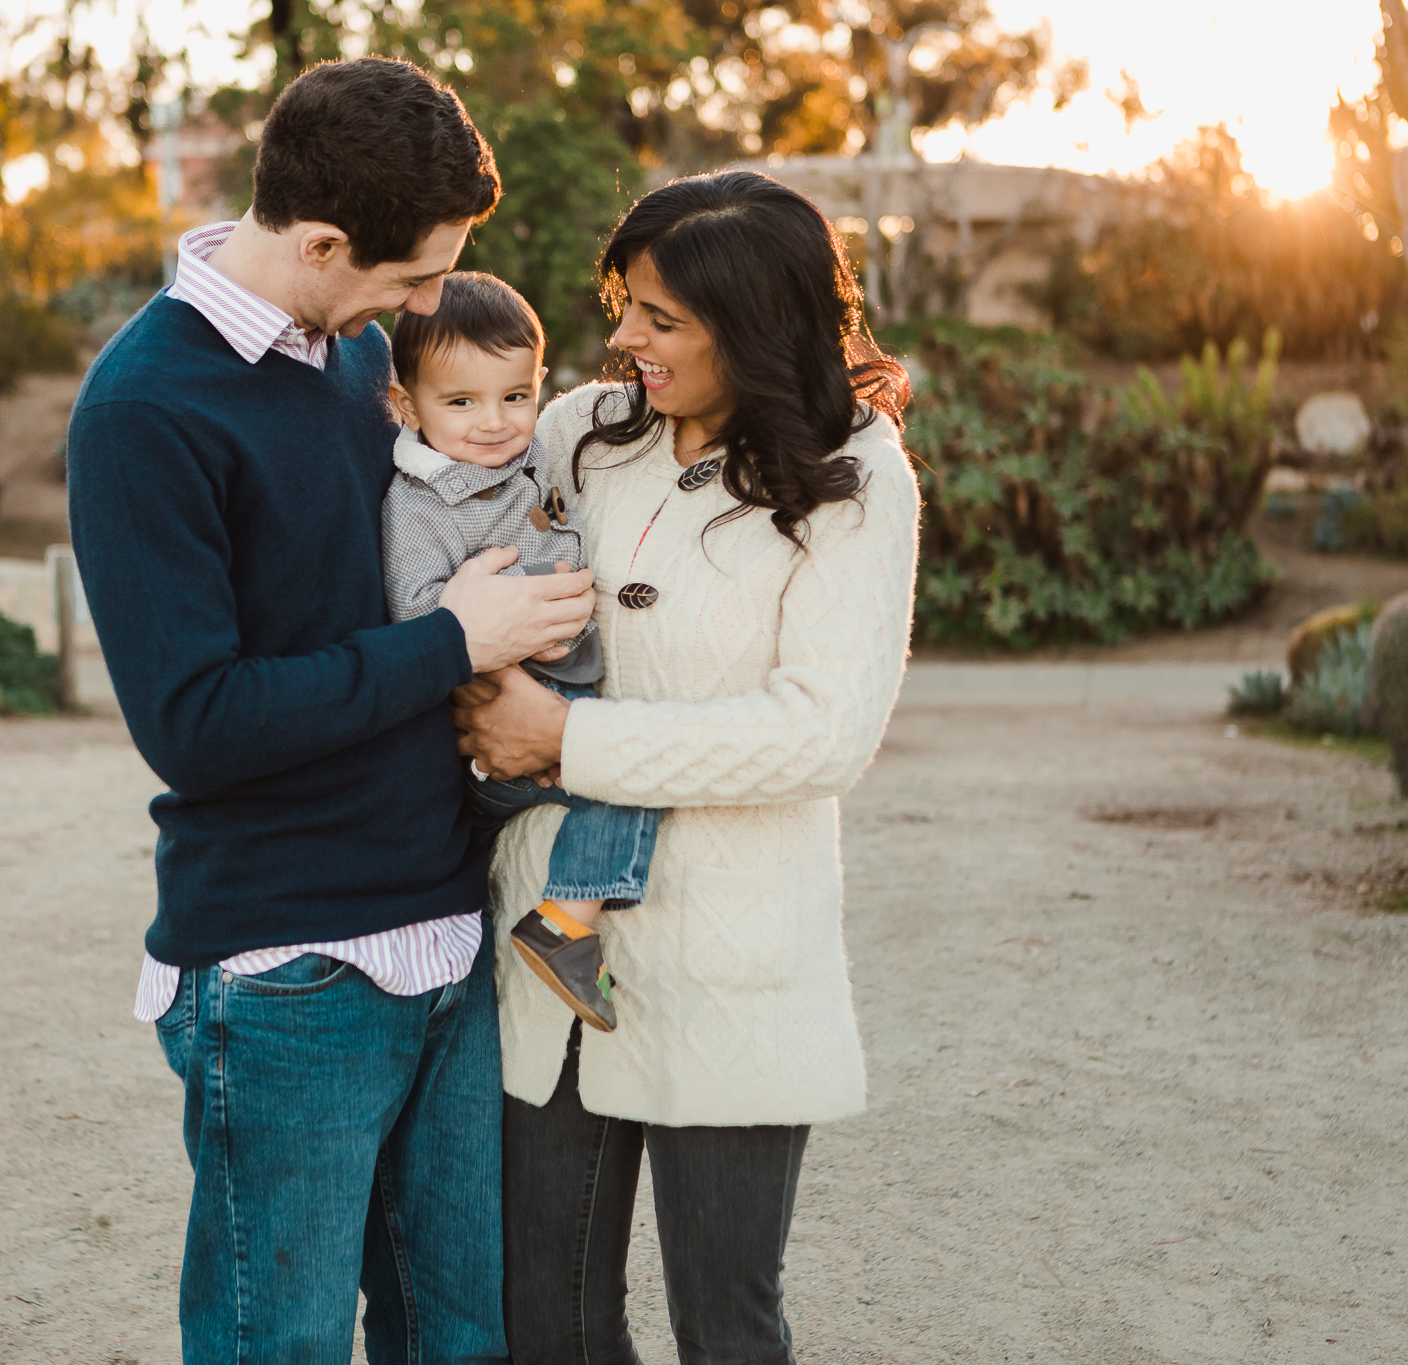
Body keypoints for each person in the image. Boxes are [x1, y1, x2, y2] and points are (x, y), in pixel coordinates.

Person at [64, 58, 592, 1365]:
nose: (430, 307)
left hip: (449, 937)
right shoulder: (143, 412)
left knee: (466, 1340)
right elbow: (200, 721)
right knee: (277, 1349)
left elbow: (500, 464)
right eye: (416, 277)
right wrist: (451, 642)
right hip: (291, 971)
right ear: (318, 241)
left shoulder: (365, 359)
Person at [452, 170, 918, 1363]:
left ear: (753, 323)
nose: (622, 339)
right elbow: (441, 466)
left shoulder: (853, 477)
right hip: (551, 964)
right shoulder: (583, 437)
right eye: (625, 305)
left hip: (731, 963)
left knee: (725, 1327)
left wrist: (566, 742)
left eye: (659, 318)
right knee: (544, 1326)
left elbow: (822, 730)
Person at [379, 271, 665, 1035]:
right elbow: (419, 618)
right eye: (461, 402)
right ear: (405, 406)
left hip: (559, 686)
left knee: (621, 754)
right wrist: (509, 678)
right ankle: (567, 919)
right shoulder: (423, 504)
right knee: (626, 770)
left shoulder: (533, 455)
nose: (494, 422)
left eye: (514, 395)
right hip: (499, 714)